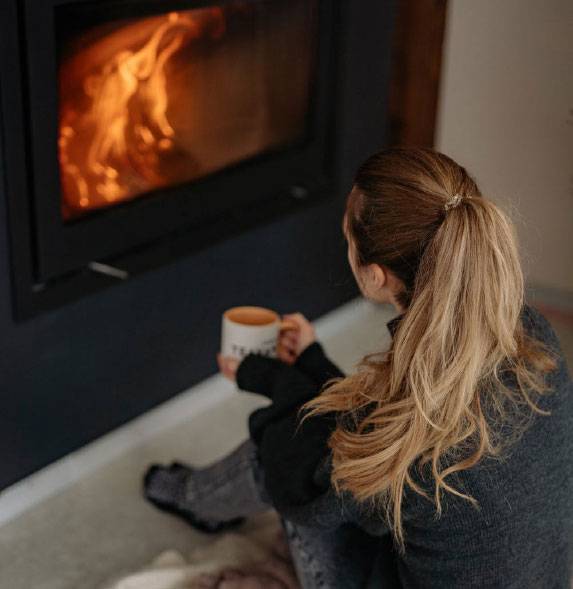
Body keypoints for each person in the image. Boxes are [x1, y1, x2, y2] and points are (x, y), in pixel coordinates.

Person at [143, 147, 573, 588]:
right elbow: (375, 427)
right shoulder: (530, 335)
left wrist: (263, 374)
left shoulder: (418, 430)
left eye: (347, 238)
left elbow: (305, 467)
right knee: (324, 451)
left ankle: (194, 499)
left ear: (374, 276)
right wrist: (311, 362)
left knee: (278, 450)